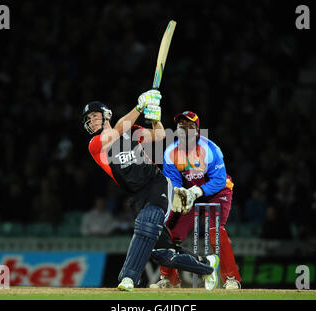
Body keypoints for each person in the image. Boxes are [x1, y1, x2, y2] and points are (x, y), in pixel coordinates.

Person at [82, 91, 218, 291]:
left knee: (146, 224)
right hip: (136, 197)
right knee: (163, 254)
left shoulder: (131, 131)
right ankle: (208, 267)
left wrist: (155, 118)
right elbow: (117, 131)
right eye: (88, 119)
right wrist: (139, 107)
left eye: (94, 115)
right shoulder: (95, 145)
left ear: (106, 114)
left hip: (156, 184)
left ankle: (128, 278)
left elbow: (160, 134)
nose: (91, 120)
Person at [150, 111, 242, 289]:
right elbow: (174, 181)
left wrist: (197, 191)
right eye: (180, 126)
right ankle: (169, 279)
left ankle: (231, 279)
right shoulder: (171, 152)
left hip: (217, 191)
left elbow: (219, 180)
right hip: (190, 193)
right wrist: (179, 194)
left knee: (215, 230)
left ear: (197, 130)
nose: (184, 129)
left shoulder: (209, 148)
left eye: (189, 126)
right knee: (170, 231)